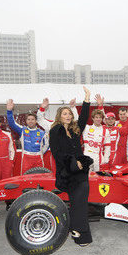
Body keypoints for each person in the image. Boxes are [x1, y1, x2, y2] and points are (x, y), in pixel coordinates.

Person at [49, 86, 93, 246]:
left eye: (70, 114)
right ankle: (79, 232)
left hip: (80, 172)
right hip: (68, 172)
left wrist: (87, 98)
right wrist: (74, 164)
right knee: (79, 202)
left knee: (79, 202)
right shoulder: (55, 131)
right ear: (59, 117)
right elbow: (57, 153)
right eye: (65, 114)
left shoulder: (75, 130)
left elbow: (83, 118)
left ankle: (77, 230)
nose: (68, 116)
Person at [7, 100, 48, 174]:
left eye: (32, 119)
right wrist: (9, 111)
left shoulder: (42, 133)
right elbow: (12, 123)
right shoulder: (22, 130)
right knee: (25, 179)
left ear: (36, 121)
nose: (30, 121)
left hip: (38, 158)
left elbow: (47, 144)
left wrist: (40, 153)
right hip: (26, 158)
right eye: (28, 119)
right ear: (26, 121)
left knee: (39, 179)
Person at [82, 94, 111, 172]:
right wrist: (73, 107)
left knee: (97, 179)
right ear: (92, 118)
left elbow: (108, 147)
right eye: (96, 117)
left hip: (98, 158)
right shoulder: (86, 128)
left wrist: (105, 159)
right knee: (85, 178)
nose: (98, 119)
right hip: (86, 156)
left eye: (100, 117)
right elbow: (79, 119)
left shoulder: (105, 130)